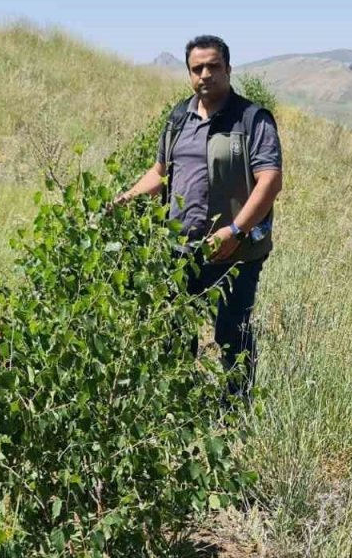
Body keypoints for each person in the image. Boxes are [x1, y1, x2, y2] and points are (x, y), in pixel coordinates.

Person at [115, 34, 283, 403]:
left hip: (236, 253)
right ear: (189, 73)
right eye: (197, 68)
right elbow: (160, 171)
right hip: (181, 249)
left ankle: (235, 413)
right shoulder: (179, 117)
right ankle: (180, 407)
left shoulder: (252, 119)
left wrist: (236, 230)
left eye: (213, 66)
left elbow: (270, 182)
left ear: (228, 68)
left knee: (231, 334)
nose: (205, 74)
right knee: (176, 332)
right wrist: (125, 198)